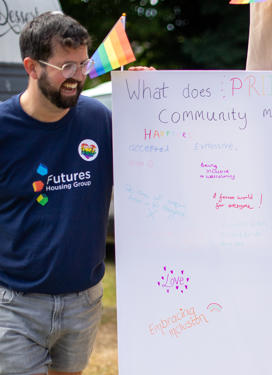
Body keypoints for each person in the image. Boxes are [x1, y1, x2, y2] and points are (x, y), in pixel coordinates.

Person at [0, 11, 151, 375]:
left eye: (83, 63)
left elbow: (150, 168)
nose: (78, 77)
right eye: (66, 66)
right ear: (31, 67)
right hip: (15, 305)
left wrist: (152, 106)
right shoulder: (4, 129)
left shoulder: (98, 119)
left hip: (84, 300)